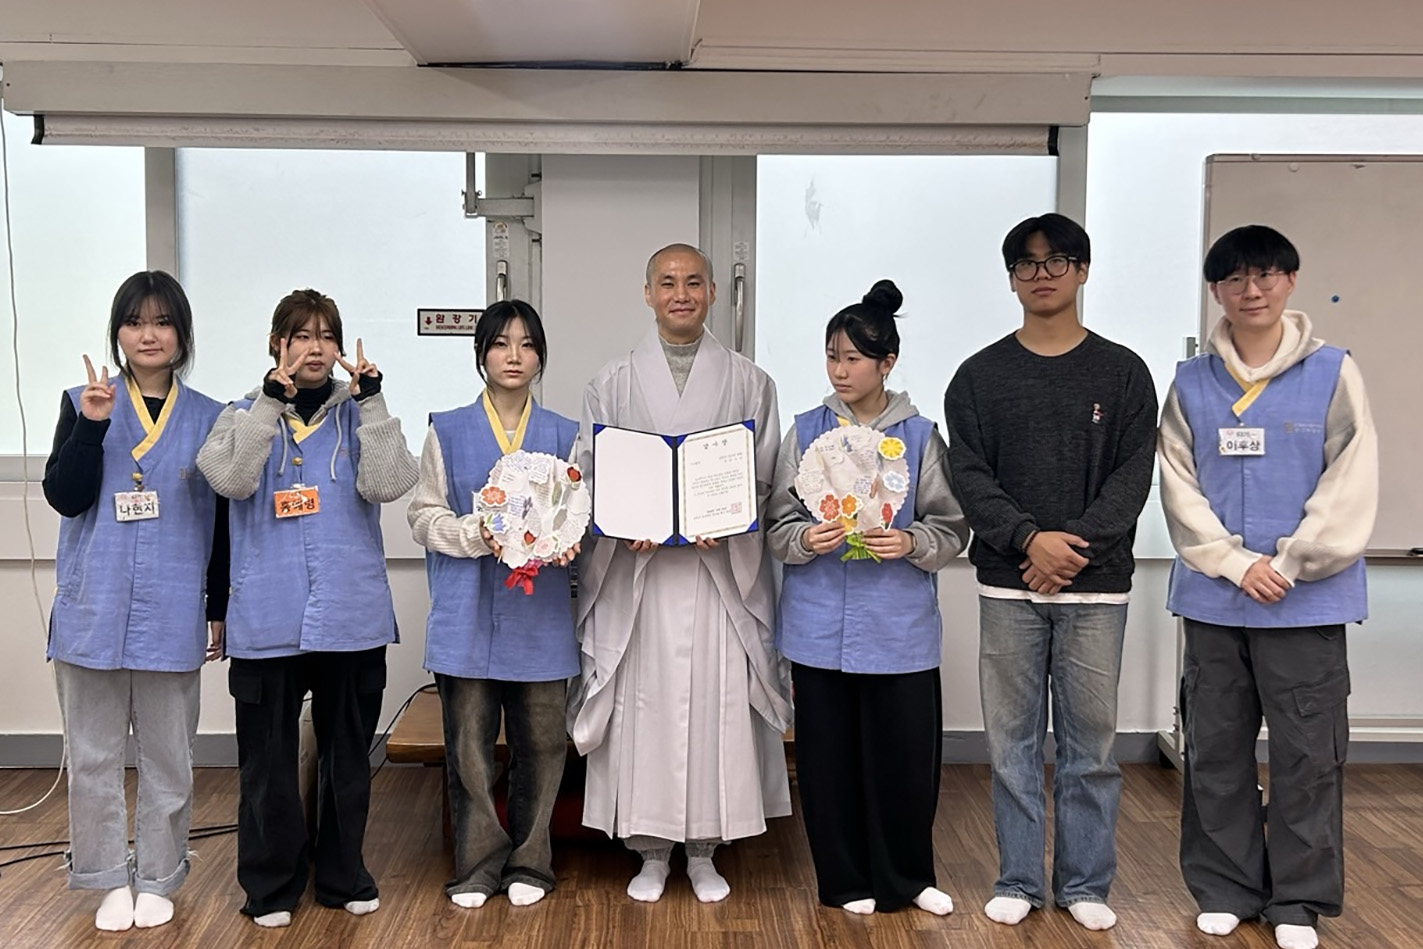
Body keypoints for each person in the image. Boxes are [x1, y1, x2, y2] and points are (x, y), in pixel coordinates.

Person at [1159, 225, 1376, 949]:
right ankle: (1225, 888)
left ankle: (1297, 900)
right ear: (1215, 290)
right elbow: (1177, 484)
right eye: (1234, 279)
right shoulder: (1191, 382)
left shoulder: (1333, 371)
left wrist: (1289, 563)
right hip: (1216, 599)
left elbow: (1351, 476)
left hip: (1305, 600)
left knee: (1307, 755)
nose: (1250, 290)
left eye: (1265, 275)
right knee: (1214, 749)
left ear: (1290, 280)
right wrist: (1230, 562)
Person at [943, 213, 1157, 931]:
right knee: (1011, 746)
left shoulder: (1123, 372)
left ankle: (1085, 883)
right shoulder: (978, 376)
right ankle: (1017, 878)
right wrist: (1029, 540)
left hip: (1096, 589)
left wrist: (1071, 550)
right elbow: (969, 475)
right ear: (1011, 278)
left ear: (1082, 270)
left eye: (1057, 260)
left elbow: (1133, 475)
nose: (1042, 274)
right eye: (1027, 263)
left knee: (1090, 748)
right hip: (1008, 585)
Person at [569, 243, 791, 904]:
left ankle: (703, 849)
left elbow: (765, 476)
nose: (681, 294)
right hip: (638, 577)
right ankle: (649, 849)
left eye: (693, 282)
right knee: (645, 711)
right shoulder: (611, 382)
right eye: (667, 283)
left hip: (717, 573)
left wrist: (731, 515)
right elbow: (589, 473)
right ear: (648, 294)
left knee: (715, 708)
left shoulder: (751, 381)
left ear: (713, 292)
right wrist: (619, 519)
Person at [197, 288, 418, 928]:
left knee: (347, 759)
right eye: (301, 335)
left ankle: (343, 875)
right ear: (277, 345)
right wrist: (270, 402)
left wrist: (373, 400)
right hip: (266, 617)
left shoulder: (360, 414)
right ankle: (271, 885)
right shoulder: (241, 415)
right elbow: (231, 481)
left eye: (326, 336)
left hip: (351, 615)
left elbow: (389, 483)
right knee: (267, 766)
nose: (315, 348)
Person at [766, 279, 969, 917]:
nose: (839, 370)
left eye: (853, 358)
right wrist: (807, 538)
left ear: (887, 363)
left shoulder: (920, 436)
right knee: (827, 761)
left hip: (898, 626)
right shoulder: (805, 431)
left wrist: (911, 541)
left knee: (903, 759)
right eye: (832, 356)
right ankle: (844, 879)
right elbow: (777, 525)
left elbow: (952, 527)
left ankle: (907, 877)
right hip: (819, 623)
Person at [42, 271, 225, 933]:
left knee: (169, 756)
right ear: (117, 332)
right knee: (92, 756)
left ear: (182, 334)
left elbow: (223, 523)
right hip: (93, 606)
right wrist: (91, 428)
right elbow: (65, 497)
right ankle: (104, 878)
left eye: (163, 322)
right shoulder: (83, 401)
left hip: (173, 606)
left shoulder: (211, 416)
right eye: (135, 321)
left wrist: (219, 605)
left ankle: (158, 875)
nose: (149, 335)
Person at [408, 300, 579, 910]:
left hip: (540, 615)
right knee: (469, 748)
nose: (514, 356)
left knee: (543, 745)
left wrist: (567, 542)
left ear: (540, 357)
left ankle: (531, 861)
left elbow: (578, 515)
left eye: (527, 344)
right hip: (467, 611)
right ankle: (478, 865)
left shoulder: (565, 434)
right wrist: (474, 534)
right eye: (501, 343)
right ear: (481, 354)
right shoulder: (447, 429)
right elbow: (421, 516)